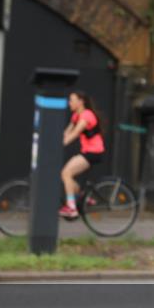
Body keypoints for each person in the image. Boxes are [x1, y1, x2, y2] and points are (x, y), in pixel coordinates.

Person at [58, 90, 105, 219]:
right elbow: (67, 132)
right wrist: (55, 141)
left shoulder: (87, 115)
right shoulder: (75, 116)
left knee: (66, 173)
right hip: (86, 151)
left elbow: (75, 133)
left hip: (94, 152)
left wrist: (60, 145)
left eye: (72, 100)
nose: (69, 103)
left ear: (81, 101)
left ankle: (72, 208)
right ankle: (83, 198)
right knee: (66, 175)